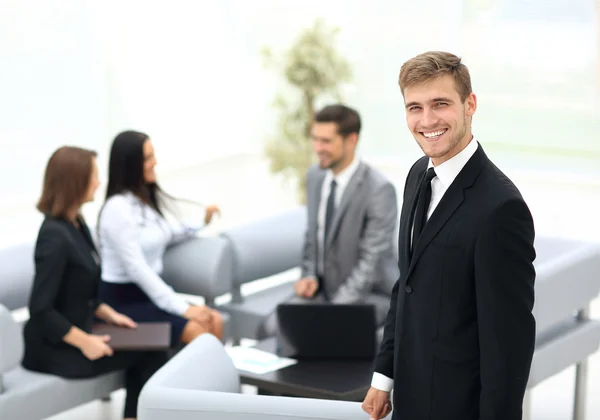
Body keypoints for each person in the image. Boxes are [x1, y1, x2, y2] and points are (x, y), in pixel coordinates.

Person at [361, 51, 536, 420]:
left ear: (469, 104)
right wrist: (383, 376)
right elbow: (406, 284)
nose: (427, 120)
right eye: (415, 107)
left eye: (440, 104)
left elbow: (507, 346)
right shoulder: (416, 175)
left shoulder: (501, 208)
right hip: (408, 398)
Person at [22, 146, 168, 420]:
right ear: (75, 182)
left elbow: (81, 288)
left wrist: (110, 314)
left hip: (83, 327)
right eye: (94, 176)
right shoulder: (54, 236)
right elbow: (40, 309)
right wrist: (85, 342)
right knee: (152, 353)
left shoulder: (76, 222)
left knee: (156, 341)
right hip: (55, 348)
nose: (99, 183)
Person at [258, 104, 399, 338]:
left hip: (369, 297)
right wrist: (308, 276)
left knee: (321, 335)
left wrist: (333, 311)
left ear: (351, 140)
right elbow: (312, 238)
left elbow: (371, 264)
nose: (317, 148)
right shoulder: (315, 177)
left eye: (326, 141)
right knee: (270, 328)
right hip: (322, 293)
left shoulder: (379, 190)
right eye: (315, 139)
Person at [97, 130, 224, 347]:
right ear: (130, 164)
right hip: (122, 303)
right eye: (147, 158)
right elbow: (137, 268)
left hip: (149, 296)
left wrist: (202, 221)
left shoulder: (143, 201)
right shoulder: (117, 209)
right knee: (197, 331)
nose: (154, 163)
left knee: (215, 320)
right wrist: (183, 308)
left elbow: (166, 232)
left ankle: (220, 381)